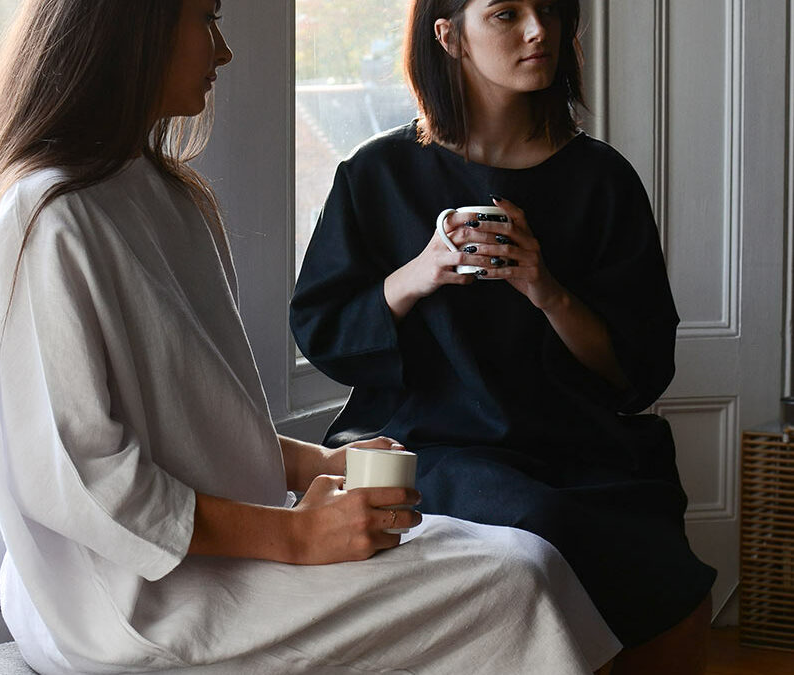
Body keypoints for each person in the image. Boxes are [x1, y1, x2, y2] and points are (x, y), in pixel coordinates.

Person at [0, 1, 623, 673]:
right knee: (515, 578)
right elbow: (82, 481)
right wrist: (297, 534)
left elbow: (193, 424)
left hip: (210, 553)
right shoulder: (46, 221)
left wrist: (315, 464)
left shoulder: (170, 197)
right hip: (125, 601)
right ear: (133, 29)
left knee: (523, 559)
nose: (223, 51)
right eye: (205, 20)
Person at [290, 0, 716, 673]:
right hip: (426, 442)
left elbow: (636, 371)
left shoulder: (601, 179)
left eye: (548, 9)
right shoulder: (376, 175)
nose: (538, 30)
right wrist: (419, 272)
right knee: (545, 527)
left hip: (578, 444)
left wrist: (545, 287)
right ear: (447, 34)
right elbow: (326, 334)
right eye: (505, 14)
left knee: (679, 585)